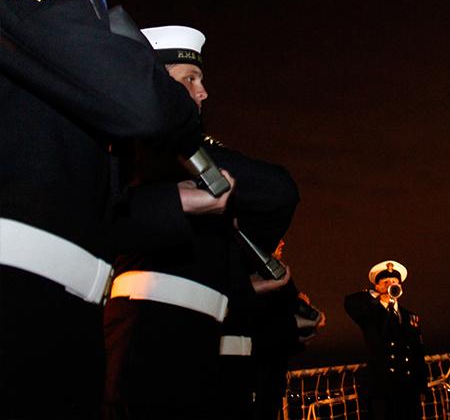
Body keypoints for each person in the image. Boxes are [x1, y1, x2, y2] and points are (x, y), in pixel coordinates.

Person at [0, 0, 224, 418]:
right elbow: (140, 102)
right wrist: (175, 108)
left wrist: (174, 201)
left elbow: (64, 187)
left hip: (60, 312)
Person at [103, 25, 304, 420]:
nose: (203, 92)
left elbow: (276, 193)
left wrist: (241, 279)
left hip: (199, 336)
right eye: (189, 79)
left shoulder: (182, 153)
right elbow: (97, 214)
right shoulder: (129, 142)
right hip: (149, 333)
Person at [344, 261, 428, 420]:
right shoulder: (370, 313)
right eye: (386, 282)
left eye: (395, 282)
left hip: (408, 388)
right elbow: (349, 303)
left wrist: (422, 389)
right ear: (377, 285)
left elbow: (418, 354)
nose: (391, 285)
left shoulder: (411, 317)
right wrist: (374, 292)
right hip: (381, 390)